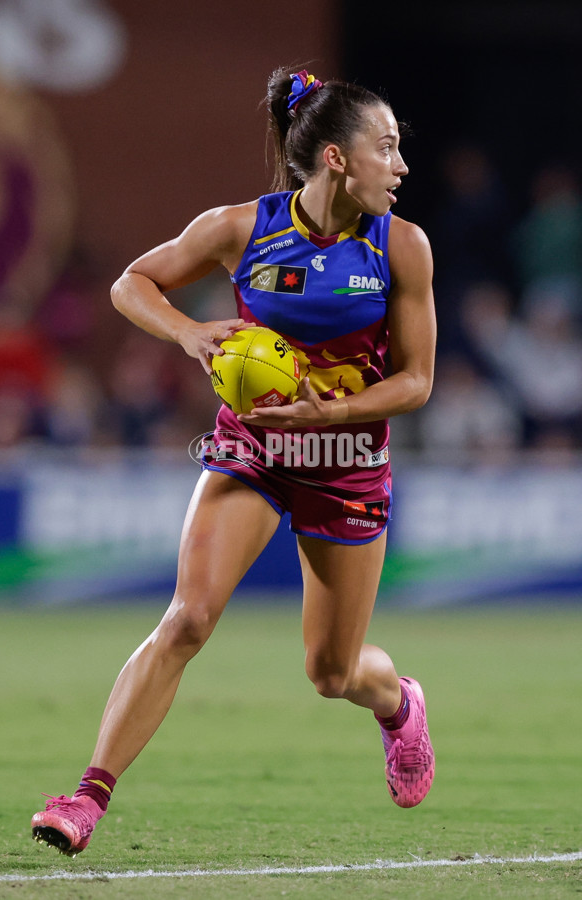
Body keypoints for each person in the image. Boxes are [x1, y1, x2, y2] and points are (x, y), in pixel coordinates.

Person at [31, 66, 437, 857]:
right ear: (334, 158)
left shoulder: (404, 248)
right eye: (386, 148)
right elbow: (132, 283)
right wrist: (187, 332)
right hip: (252, 451)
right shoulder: (241, 228)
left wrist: (337, 412)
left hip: (348, 462)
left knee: (332, 672)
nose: (402, 165)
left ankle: (397, 702)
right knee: (187, 618)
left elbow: (417, 382)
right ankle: (84, 799)